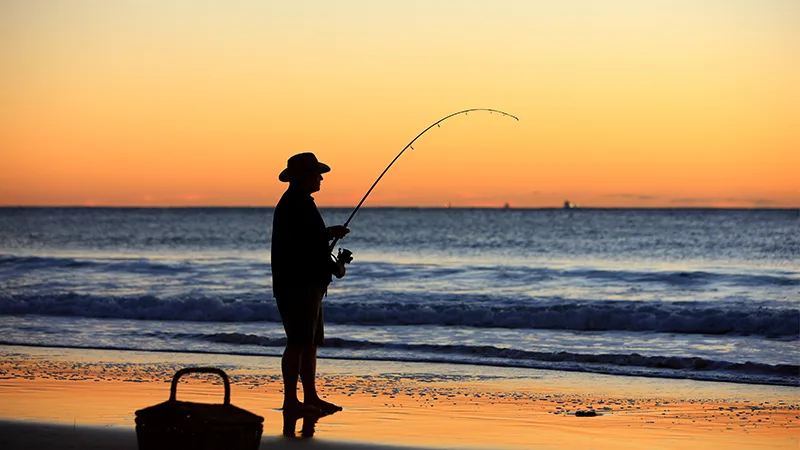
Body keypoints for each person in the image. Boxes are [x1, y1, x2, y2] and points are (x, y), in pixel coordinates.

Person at [271, 152, 350, 415]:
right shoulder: (295, 204)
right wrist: (330, 235)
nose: (320, 178)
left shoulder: (300, 202)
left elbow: (310, 242)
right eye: (317, 174)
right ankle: (291, 402)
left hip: (307, 284)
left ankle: (310, 397)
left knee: (310, 342)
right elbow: (305, 245)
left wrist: (329, 238)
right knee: (298, 342)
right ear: (304, 177)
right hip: (298, 285)